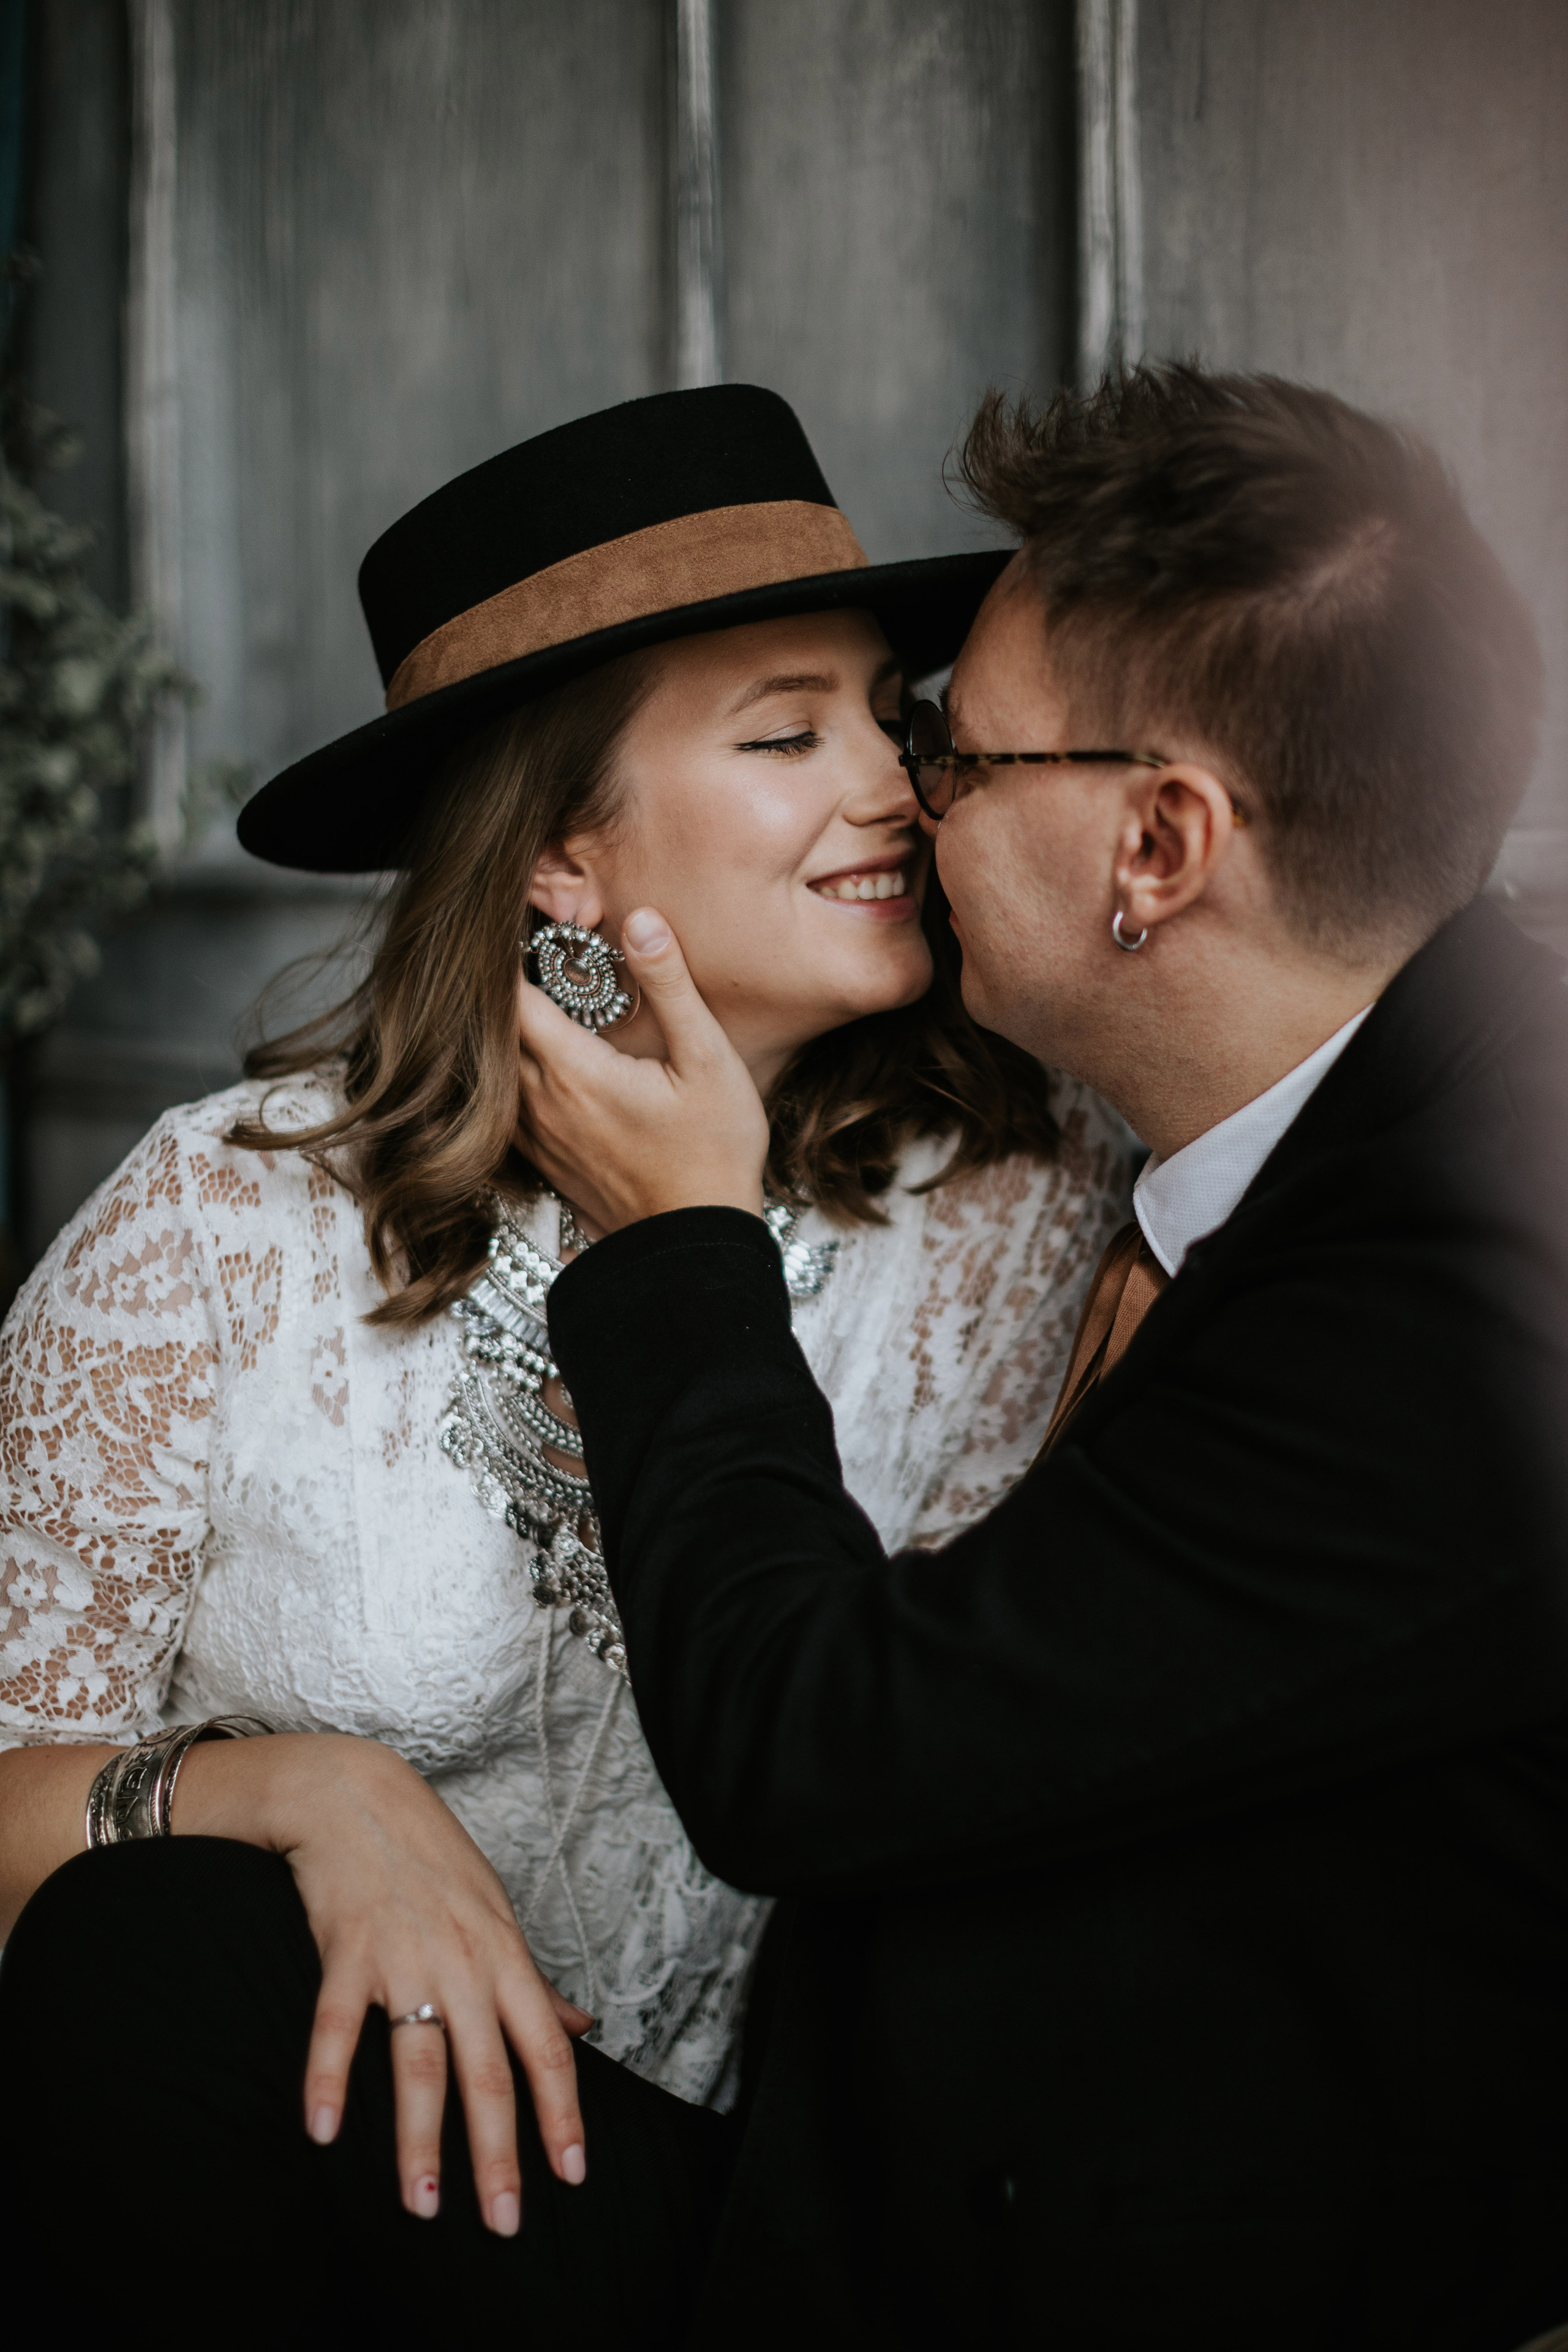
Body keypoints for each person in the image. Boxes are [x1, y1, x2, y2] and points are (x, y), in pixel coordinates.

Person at [0, 386, 1127, 2338]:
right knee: (159, 1941)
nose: (899, 780)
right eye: (787, 733)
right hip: (296, 2171)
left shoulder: (1014, 1209)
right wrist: (306, 1794)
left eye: (892, 713)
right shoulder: (222, 1218)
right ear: (557, 862)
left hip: (765, 2221)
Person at [512, 366, 1568, 2350]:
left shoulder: (1474, 1297)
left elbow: (812, 1744)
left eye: (957, 751)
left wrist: (677, 1241)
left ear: (1159, 844)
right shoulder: (1393, 1110)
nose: (906, 797)